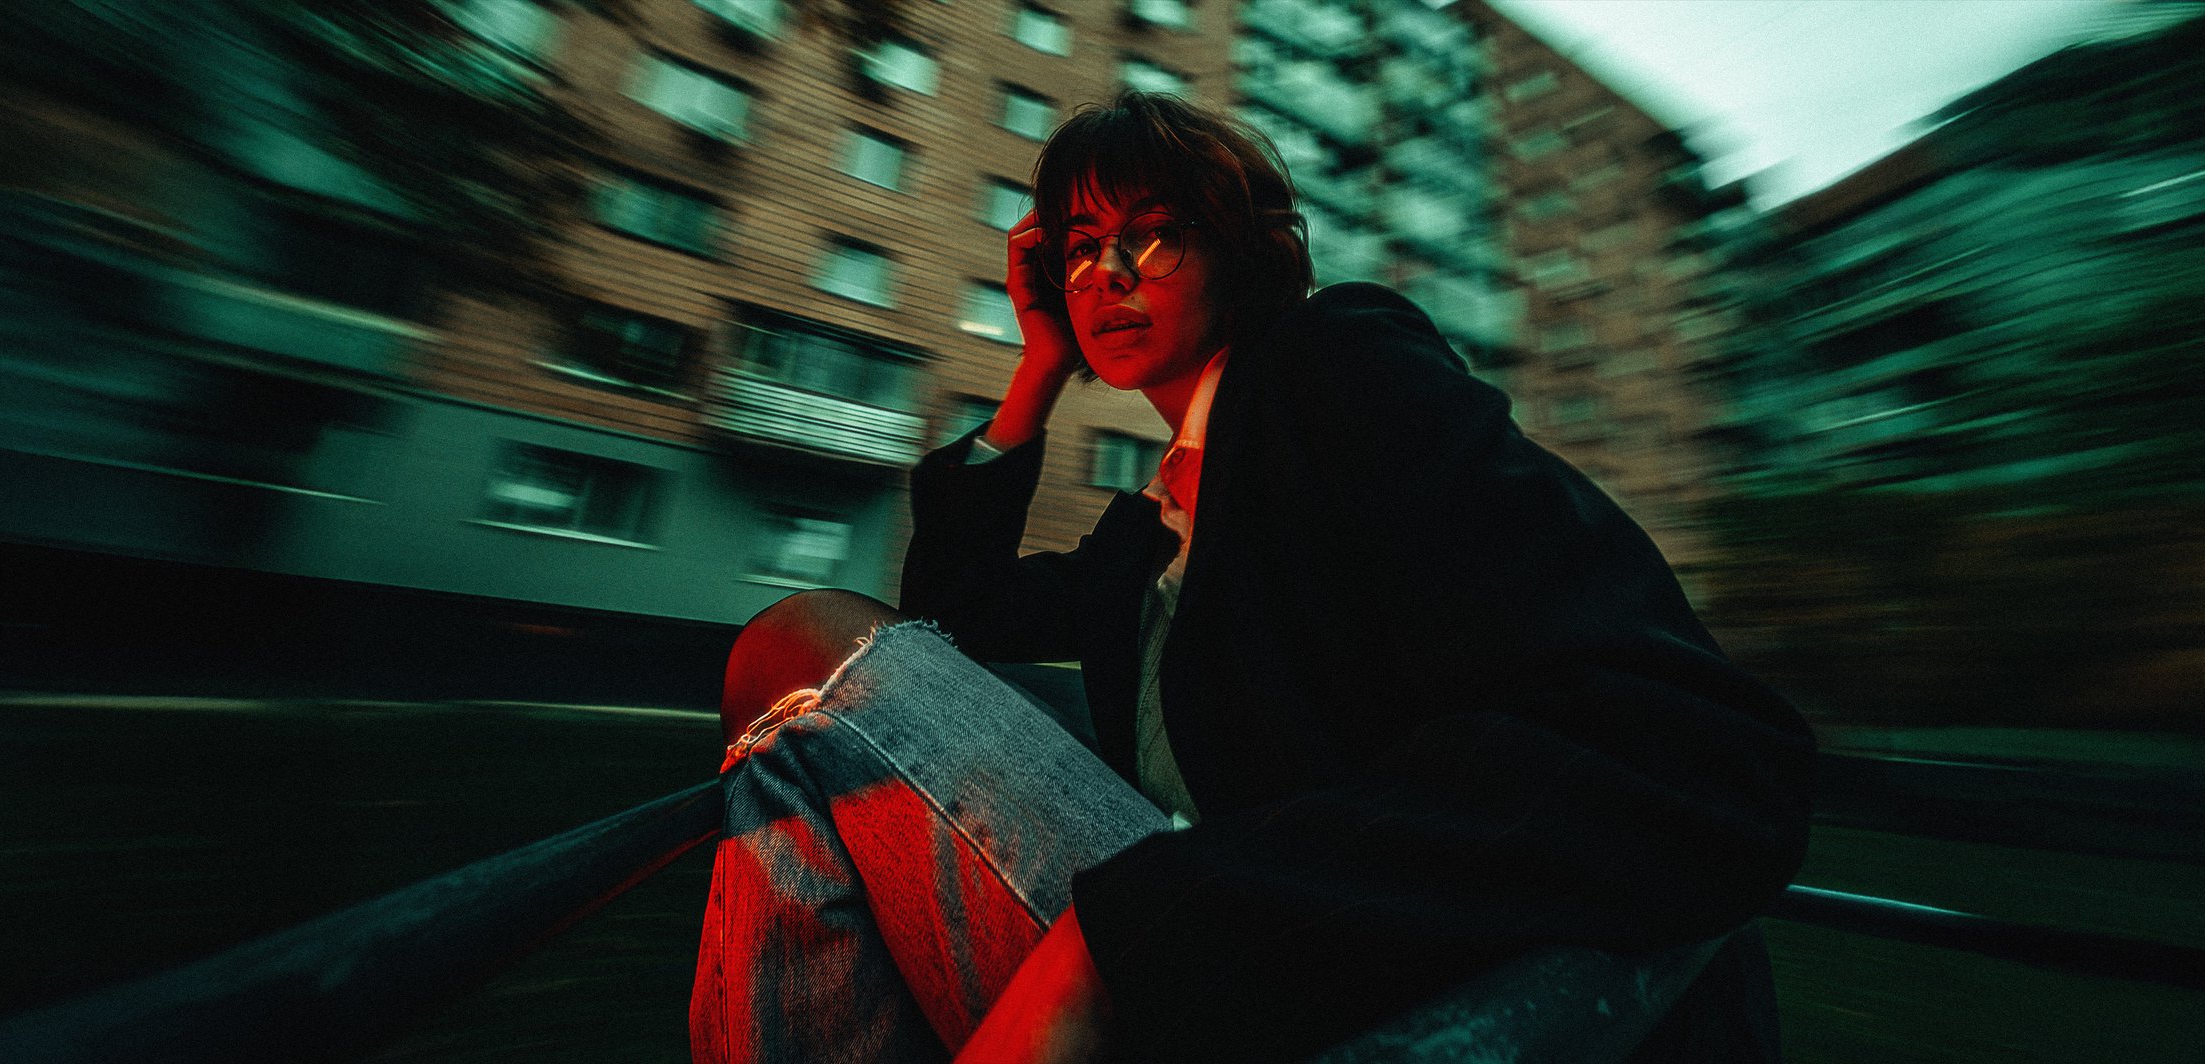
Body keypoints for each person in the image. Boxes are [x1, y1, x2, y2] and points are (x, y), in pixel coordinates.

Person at [693, 92, 1813, 1064]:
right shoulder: (1148, 533)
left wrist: (1129, 928)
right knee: (805, 663)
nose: (1107, 274)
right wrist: (1038, 366)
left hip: (1369, 970)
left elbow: (1693, 745)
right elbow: (945, 625)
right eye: (1078, 246)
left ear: (1239, 252)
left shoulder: (1337, 369)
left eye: (1154, 233)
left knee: (801, 647)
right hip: (1202, 945)